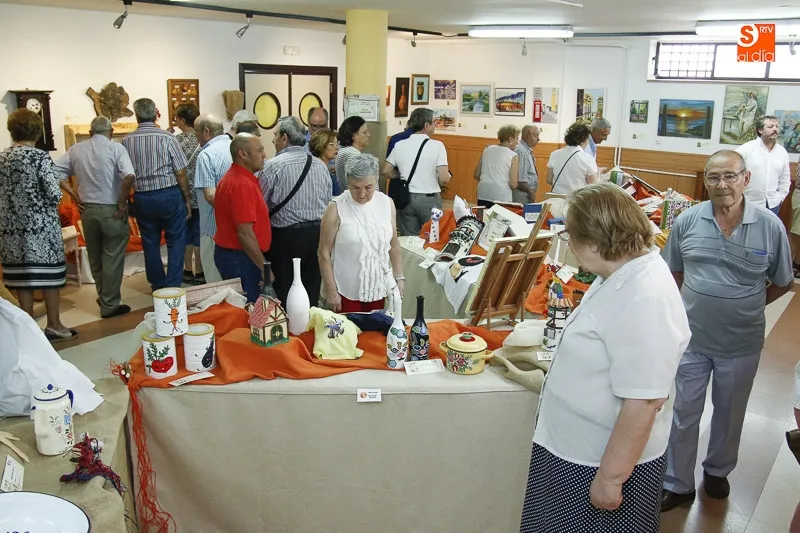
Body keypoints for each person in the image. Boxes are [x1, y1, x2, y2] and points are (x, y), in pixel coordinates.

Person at [520, 182, 691, 533]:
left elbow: (644, 400)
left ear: (596, 242)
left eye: (571, 236)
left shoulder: (646, 296)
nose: (570, 245)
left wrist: (611, 478)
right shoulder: (619, 271)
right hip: (572, 448)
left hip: (598, 463)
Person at [661, 150, 794, 512]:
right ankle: (678, 482)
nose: (722, 185)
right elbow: (673, 270)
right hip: (692, 339)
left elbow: (783, 281)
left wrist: (747, 304)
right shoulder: (688, 220)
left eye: (730, 176)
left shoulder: (769, 226)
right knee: (683, 412)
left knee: (729, 412)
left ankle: (717, 471)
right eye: (714, 177)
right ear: (705, 182)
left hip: (741, 341)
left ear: (745, 179)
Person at [0, 109, 78, 341]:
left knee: (22, 279)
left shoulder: (2, 158)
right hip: (40, 229)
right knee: (49, 278)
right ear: (36, 131)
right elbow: (53, 193)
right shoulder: (39, 157)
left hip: (11, 230)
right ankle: (54, 324)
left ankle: (28, 329)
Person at [54, 116, 135, 318]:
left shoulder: (76, 149)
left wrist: (73, 194)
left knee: (96, 256)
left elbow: (53, 170)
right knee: (112, 257)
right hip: (111, 209)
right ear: (111, 132)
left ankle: (103, 296)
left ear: (90, 133)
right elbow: (129, 175)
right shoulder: (116, 148)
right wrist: (122, 201)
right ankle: (110, 304)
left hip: (87, 210)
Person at [259, 116, 332, 306]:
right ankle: (309, 321)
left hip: (285, 239)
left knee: (284, 291)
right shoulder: (320, 166)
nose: (273, 140)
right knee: (311, 289)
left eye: (275, 135)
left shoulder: (272, 166)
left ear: (284, 138)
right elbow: (327, 202)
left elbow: (260, 206)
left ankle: (287, 323)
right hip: (316, 235)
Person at [318, 153, 403, 313]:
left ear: (376, 180)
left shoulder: (386, 203)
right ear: (348, 183)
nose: (362, 194)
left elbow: (394, 245)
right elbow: (323, 252)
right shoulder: (336, 207)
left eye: (368, 187)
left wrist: (400, 278)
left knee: (377, 328)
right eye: (356, 188)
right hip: (345, 291)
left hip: (378, 286)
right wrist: (331, 290)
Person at [122, 98, 191, 291]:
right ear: (155, 114)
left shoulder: (127, 141)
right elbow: (180, 172)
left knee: (150, 242)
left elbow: (124, 174)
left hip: (142, 197)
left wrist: (127, 199)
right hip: (169, 194)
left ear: (137, 116)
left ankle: (157, 284)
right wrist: (186, 198)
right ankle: (173, 285)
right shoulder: (168, 138)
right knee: (176, 240)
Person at [213, 134, 271, 303]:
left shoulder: (236, 178)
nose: (264, 155)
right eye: (260, 150)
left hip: (237, 256)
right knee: (249, 308)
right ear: (243, 154)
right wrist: (264, 268)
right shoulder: (242, 184)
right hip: (241, 258)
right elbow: (245, 233)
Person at [381, 107, 451, 236]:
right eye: (433, 123)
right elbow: (444, 177)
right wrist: (445, 177)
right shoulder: (437, 146)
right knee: (433, 238)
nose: (434, 127)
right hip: (430, 200)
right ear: (426, 125)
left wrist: (401, 175)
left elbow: (385, 171)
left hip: (407, 199)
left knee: (409, 240)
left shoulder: (400, 145)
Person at [193, 115, 232, 284]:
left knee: (216, 282)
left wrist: (229, 215)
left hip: (213, 227)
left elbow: (210, 195)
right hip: (238, 228)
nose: (195, 137)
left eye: (196, 132)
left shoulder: (206, 155)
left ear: (206, 131)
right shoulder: (236, 147)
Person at [736, 115, 790, 216]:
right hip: (748, 202)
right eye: (770, 126)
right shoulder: (745, 149)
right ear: (760, 130)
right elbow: (733, 174)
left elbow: (785, 179)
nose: (775, 129)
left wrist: (780, 198)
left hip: (773, 205)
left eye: (777, 126)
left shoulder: (782, 152)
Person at [174, 103, 203, 285]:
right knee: (199, 233)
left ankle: (187, 270)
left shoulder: (176, 141)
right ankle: (200, 271)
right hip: (200, 191)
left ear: (183, 120)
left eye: (177, 118)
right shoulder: (201, 139)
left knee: (185, 233)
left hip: (182, 193)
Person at [474, 125, 520, 209]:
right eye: (517, 139)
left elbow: (477, 174)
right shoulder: (513, 155)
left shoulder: (487, 149)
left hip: (483, 192)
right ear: (510, 139)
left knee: (482, 217)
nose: (517, 142)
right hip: (501, 195)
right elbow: (513, 184)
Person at [546, 122, 598, 195]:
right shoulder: (588, 159)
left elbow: (549, 180)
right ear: (583, 141)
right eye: (587, 139)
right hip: (577, 198)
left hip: (557, 197)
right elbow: (593, 185)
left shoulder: (554, 154)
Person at [335, 116, 370, 191]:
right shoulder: (353, 155)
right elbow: (363, 185)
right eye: (365, 132)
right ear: (354, 136)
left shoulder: (344, 150)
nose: (369, 135)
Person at [308, 128, 341, 196]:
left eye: (337, 143)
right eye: (332, 144)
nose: (337, 147)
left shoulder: (327, 169)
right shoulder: (315, 170)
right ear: (321, 146)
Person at [514, 124, 540, 204]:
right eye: (536, 136)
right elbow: (521, 180)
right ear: (527, 135)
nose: (538, 139)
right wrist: (531, 193)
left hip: (526, 193)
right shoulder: (522, 152)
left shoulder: (526, 150)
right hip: (522, 194)